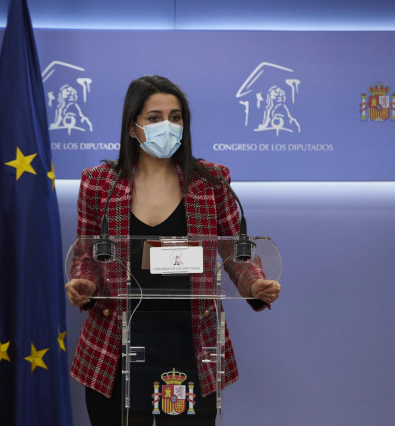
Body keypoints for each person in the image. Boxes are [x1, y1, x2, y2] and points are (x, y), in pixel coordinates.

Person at [65, 75, 281, 425]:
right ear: (132, 126)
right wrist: (84, 285)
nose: (167, 125)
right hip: (115, 347)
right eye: (154, 117)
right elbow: (87, 254)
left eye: (175, 116)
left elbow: (235, 249)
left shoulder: (212, 181)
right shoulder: (99, 183)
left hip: (190, 344)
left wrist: (253, 284)